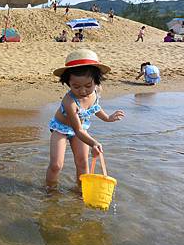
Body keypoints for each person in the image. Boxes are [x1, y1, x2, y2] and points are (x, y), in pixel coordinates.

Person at [46, 49, 125, 188]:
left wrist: (107, 118)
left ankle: (81, 191)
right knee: (56, 165)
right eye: (76, 86)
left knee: (83, 163)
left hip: (81, 129)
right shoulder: (69, 102)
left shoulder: (95, 92)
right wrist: (94, 143)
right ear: (68, 83)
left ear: (96, 81)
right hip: (62, 129)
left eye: (88, 86)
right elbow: (77, 130)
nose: (82, 91)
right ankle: (50, 190)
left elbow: (95, 107)